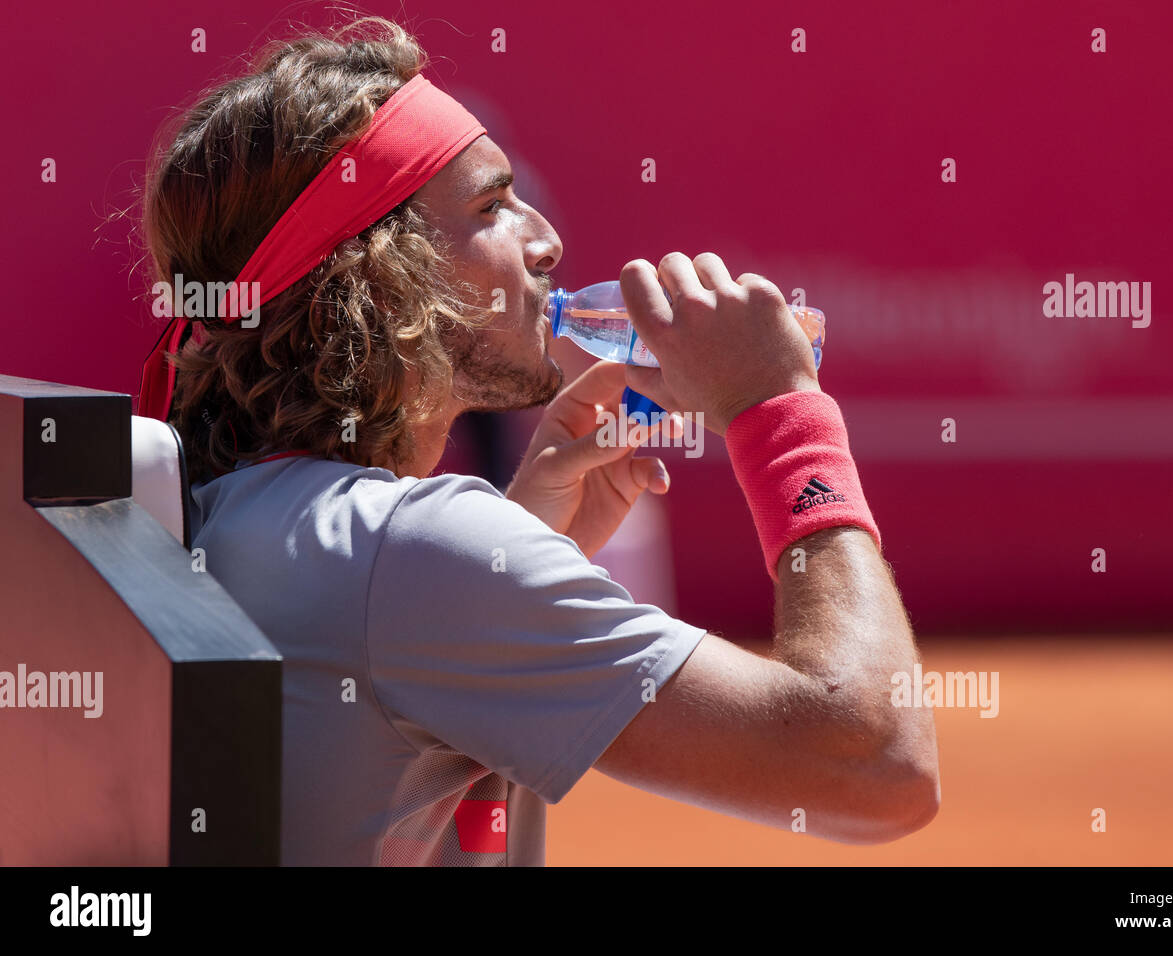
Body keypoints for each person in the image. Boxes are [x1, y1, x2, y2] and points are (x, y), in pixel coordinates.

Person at [136, 17, 939, 865]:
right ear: (379, 269)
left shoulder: (225, 504)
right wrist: (783, 418)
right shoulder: (407, 555)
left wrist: (521, 544)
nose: (546, 240)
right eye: (493, 205)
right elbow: (876, 767)